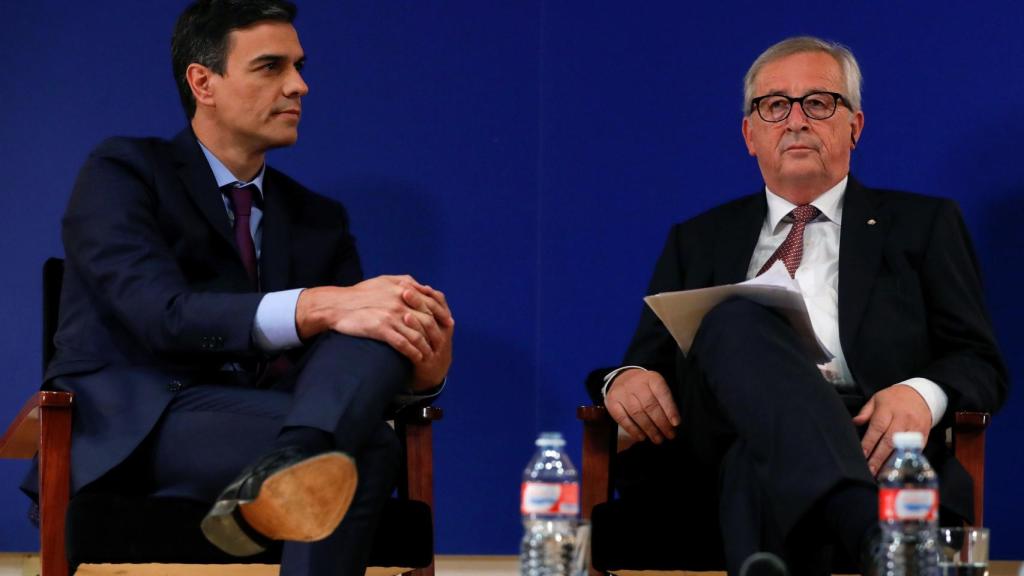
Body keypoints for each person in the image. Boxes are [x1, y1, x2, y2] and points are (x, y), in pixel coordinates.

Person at [29, 1, 453, 574]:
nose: (299, 86)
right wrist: (316, 305)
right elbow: (161, 315)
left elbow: (349, 359)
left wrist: (419, 375)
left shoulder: (318, 219)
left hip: (273, 419)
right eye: (270, 67)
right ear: (203, 81)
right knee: (363, 440)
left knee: (378, 313)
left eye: (299, 66)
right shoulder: (124, 173)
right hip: (146, 427)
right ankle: (298, 454)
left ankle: (291, 457)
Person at [588, 36, 1006, 574]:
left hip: (861, 433)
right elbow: (648, 362)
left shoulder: (922, 226)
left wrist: (920, 394)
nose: (796, 120)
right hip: (714, 437)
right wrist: (623, 378)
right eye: (775, 105)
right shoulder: (698, 239)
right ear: (750, 135)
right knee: (737, 316)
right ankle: (867, 527)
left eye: (819, 102)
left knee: (755, 464)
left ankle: (844, 521)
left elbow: (980, 363)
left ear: (855, 126)